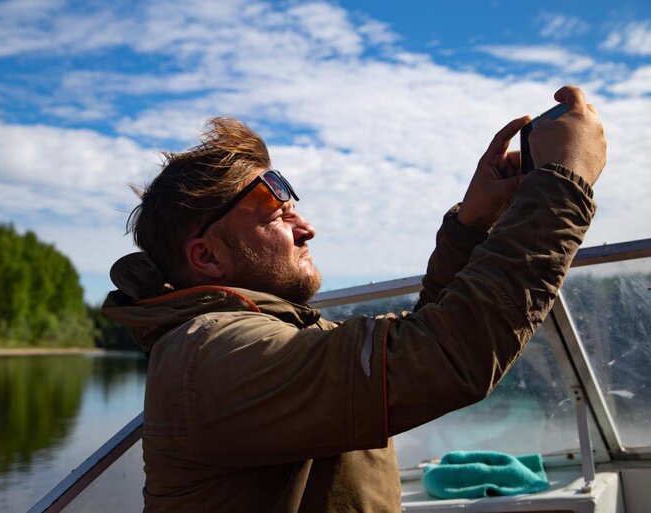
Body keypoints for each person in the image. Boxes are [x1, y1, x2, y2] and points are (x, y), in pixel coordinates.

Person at [102, 85, 606, 512]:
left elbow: (419, 338)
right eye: (277, 215)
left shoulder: (262, 335)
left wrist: (471, 225)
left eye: (295, 209)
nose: (307, 229)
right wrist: (563, 183)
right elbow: (444, 355)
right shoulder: (214, 355)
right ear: (207, 257)